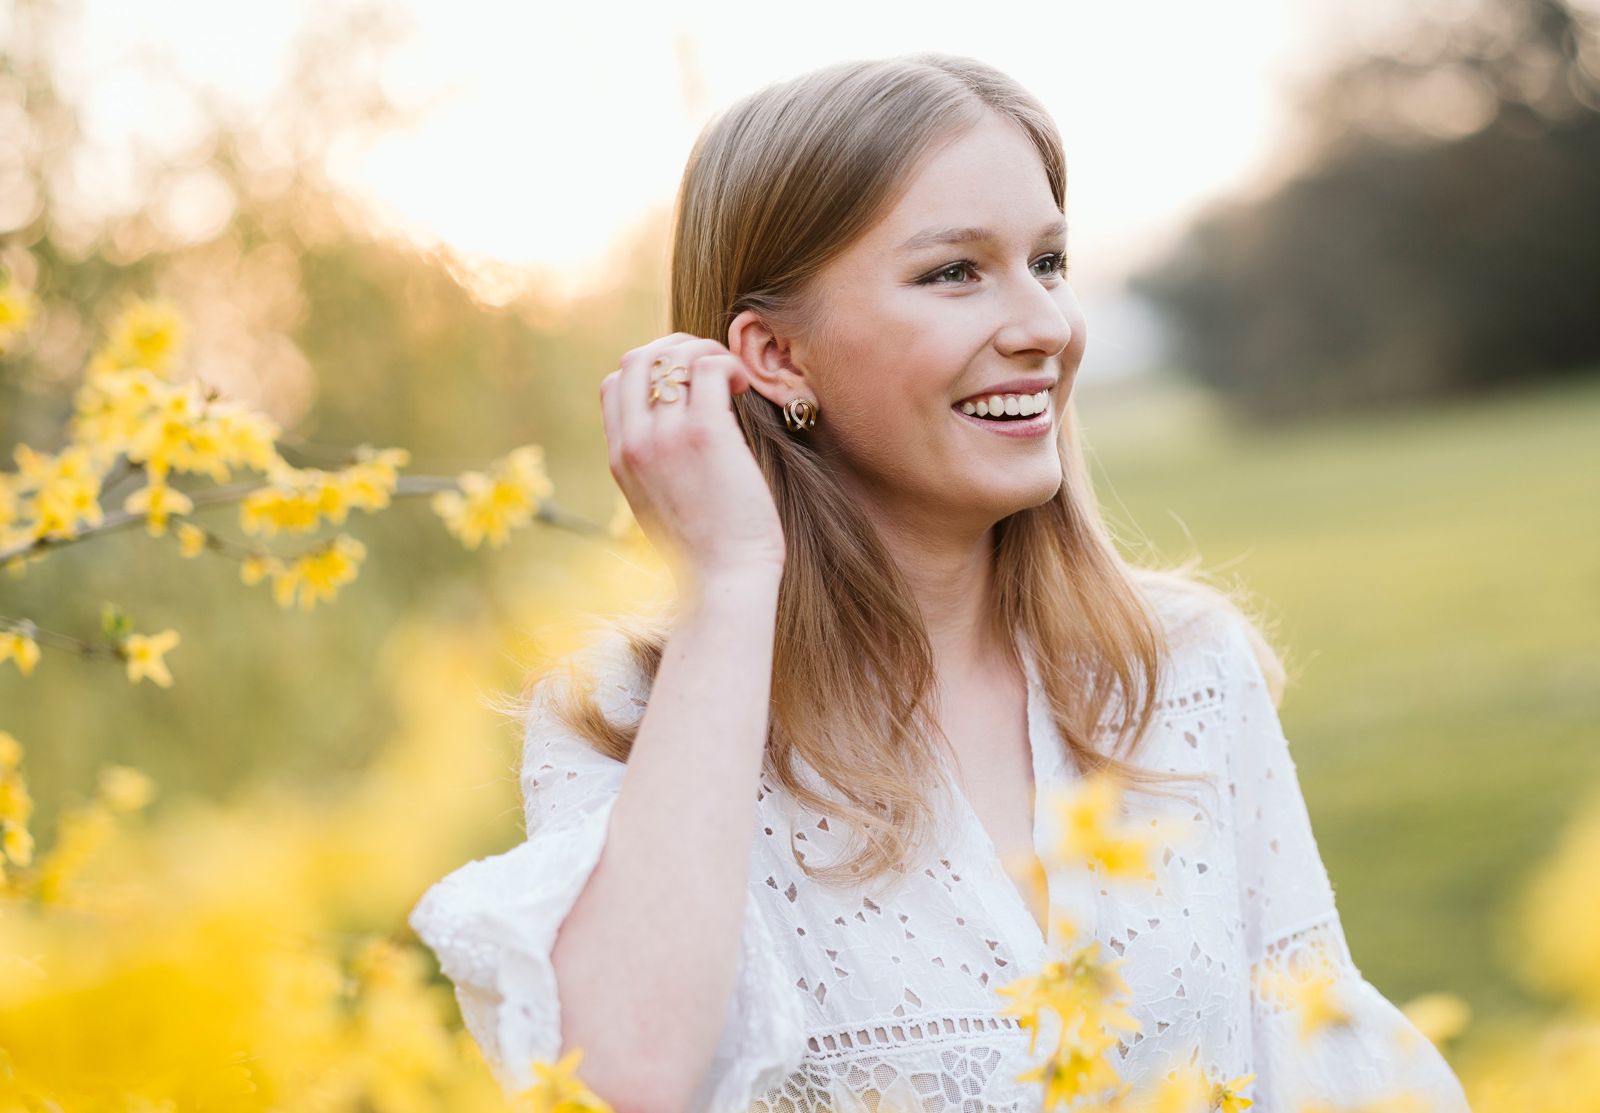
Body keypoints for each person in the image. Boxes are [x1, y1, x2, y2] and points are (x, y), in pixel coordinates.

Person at [408, 53, 1474, 1113]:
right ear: (775, 356)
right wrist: (731, 582)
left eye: (1047, 263)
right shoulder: (628, 721)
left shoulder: (1180, 670)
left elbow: (1320, 1060)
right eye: (953, 272)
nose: (1044, 327)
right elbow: (623, 1086)